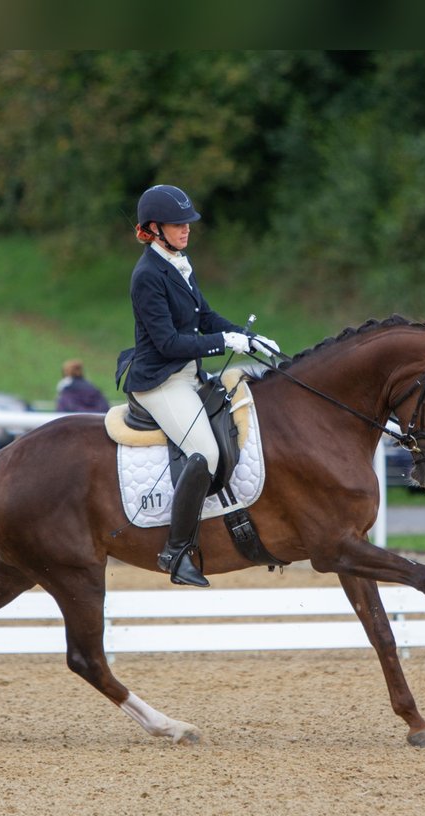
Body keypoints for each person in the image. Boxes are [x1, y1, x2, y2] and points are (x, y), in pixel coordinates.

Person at [115, 184, 280, 587]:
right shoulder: (147, 276)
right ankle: (176, 551)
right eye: (177, 224)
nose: (187, 229)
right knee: (203, 451)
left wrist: (246, 337)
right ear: (154, 229)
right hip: (160, 382)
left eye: (188, 223)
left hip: (189, 375)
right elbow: (169, 342)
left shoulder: (178, 263)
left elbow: (205, 317)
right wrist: (226, 343)